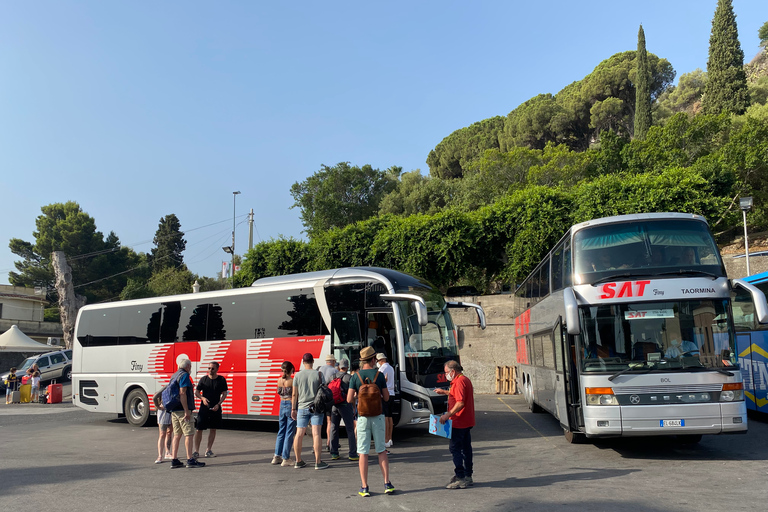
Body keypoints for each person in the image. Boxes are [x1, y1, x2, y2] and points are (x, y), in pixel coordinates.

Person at [348, 346, 394, 497]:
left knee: (363, 452)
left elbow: (349, 399)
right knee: (381, 450)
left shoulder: (356, 376)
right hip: (378, 416)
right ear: (374, 359)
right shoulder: (379, 376)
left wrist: (358, 396)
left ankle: (364, 486)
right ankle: (387, 483)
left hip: (362, 418)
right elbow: (386, 398)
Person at [436, 360, 475, 489]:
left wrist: (448, 415)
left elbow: (460, 402)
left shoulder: (458, 382)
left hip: (459, 421)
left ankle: (460, 476)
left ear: (453, 371)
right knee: (466, 448)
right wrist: (445, 392)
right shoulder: (464, 380)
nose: (446, 375)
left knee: (456, 449)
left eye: (447, 372)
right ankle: (467, 474)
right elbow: (460, 396)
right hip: (466, 421)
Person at [292, 353, 329, 470]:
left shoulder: (297, 375)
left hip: (302, 408)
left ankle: (298, 461)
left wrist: (293, 408)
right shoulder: (319, 374)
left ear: (303, 362)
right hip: (316, 408)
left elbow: (294, 394)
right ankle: (318, 462)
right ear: (313, 362)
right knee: (316, 434)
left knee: (299, 434)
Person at [168, 359, 205, 469]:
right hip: (182, 410)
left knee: (177, 435)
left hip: (174, 410)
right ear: (188, 366)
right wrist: (186, 411)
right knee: (189, 434)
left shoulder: (174, 375)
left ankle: (174, 460)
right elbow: (182, 393)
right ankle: (190, 459)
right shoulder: (184, 375)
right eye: (191, 366)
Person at [193, 361, 228, 459]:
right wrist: (202, 398)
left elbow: (224, 393)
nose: (210, 370)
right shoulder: (203, 379)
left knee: (213, 429)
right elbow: (196, 392)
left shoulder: (221, 380)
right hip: (204, 408)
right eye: (209, 368)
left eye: (212, 368)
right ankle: (196, 451)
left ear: (217, 369)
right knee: (199, 429)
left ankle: (208, 450)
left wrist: (218, 404)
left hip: (215, 408)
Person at [329, 358, 357, 461]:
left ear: (339, 367)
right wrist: (353, 407)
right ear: (347, 367)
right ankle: (352, 454)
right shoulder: (349, 377)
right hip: (345, 405)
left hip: (334, 405)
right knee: (350, 429)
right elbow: (353, 395)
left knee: (334, 428)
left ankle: (334, 453)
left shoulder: (332, 377)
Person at [272, 361, 297, 467]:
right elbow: (294, 394)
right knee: (289, 432)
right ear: (291, 369)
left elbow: (279, 393)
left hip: (282, 404)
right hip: (290, 403)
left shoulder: (279, 380)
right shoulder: (292, 381)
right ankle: (286, 458)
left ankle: (277, 455)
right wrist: (294, 408)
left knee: (281, 431)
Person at [318, 354, 338, 452]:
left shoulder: (320, 369)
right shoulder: (334, 370)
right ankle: (329, 443)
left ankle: (316, 444)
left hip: (320, 397)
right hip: (329, 398)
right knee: (330, 421)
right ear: (333, 362)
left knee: (319, 422)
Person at [376, 353, 395, 448]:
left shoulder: (382, 369)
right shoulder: (391, 368)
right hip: (392, 394)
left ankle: (386, 439)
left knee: (385, 417)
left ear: (380, 361)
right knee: (390, 416)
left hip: (385, 394)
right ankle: (390, 438)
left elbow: (380, 382)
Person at [152, 383, 173, 463]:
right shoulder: (166, 387)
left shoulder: (176, 388)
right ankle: (160, 456)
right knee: (162, 434)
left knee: (169, 433)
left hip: (170, 412)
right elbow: (154, 397)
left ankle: (167, 452)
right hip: (163, 412)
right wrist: (158, 407)